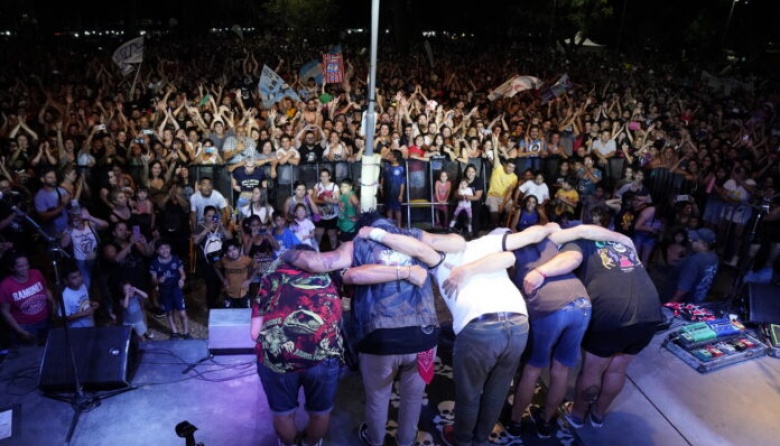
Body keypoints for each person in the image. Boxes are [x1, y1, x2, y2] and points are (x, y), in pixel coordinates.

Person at [357, 223, 556, 445]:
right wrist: (549, 227)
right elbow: (512, 255)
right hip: (518, 323)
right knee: (497, 391)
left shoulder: (439, 259)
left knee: (469, 393)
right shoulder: (485, 243)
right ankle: (481, 440)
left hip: (479, 327)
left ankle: (463, 440)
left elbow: (418, 248)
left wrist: (376, 233)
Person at [281, 214, 464, 446]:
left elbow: (315, 263)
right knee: (414, 396)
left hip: (380, 337)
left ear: (361, 228)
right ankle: (407, 441)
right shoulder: (416, 236)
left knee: (378, 398)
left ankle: (375, 440)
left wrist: (285, 253)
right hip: (425, 338)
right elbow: (459, 243)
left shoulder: (356, 244)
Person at [506, 224, 635, 438]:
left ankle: (515, 423)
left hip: (550, 304)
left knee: (532, 368)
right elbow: (576, 230)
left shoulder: (509, 249)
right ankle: (546, 422)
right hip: (581, 303)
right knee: (561, 368)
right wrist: (623, 238)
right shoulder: (549, 240)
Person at [561, 210, 662, 430]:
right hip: (650, 312)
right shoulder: (624, 242)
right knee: (618, 368)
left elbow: (568, 262)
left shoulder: (578, 244)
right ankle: (598, 415)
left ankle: (577, 415)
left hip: (612, 314)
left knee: (593, 369)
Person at [251, 244, 344, 446]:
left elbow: (254, 333)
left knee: (283, 414)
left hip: (278, 358)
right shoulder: (331, 275)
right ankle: (311, 443)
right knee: (320, 413)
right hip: (323, 354)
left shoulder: (271, 275)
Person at [0, 252, 57, 345]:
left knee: (49, 346)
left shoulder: (36, 273)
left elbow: (46, 289)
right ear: (12, 268)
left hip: (45, 320)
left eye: (27, 264)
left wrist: (53, 303)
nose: (25, 268)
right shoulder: (5, 286)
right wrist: (21, 332)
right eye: (20, 266)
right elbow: (5, 313)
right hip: (26, 326)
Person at [149, 239, 190, 339]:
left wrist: (182, 280)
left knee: (182, 313)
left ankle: (186, 333)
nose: (165, 250)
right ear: (157, 251)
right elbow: (153, 281)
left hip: (176, 289)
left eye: (167, 247)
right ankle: (174, 332)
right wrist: (158, 281)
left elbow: (183, 273)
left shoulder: (176, 259)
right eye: (161, 249)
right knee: (169, 312)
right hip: (164, 291)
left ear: (170, 248)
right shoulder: (154, 263)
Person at [668, 228, 718, 303]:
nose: (691, 241)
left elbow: (683, 288)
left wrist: (672, 302)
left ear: (704, 244)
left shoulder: (694, 261)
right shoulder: (714, 257)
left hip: (684, 300)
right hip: (699, 299)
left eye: (695, 240)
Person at [214, 239, 255, 308]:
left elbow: (256, 268)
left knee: (244, 311)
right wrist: (223, 279)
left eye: (234, 249)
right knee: (229, 312)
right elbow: (216, 267)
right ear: (226, 253)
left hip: (243, 292)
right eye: (229, 251)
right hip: (229, 292)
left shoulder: (246, 260)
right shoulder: (224, 260)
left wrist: (250, 280)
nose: (233, 253)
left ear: (238, 248)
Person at [34, 167, 71, 237]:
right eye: (50, 177)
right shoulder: (39, 196)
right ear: (42, 179)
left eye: (54, 177)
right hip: (54, 233)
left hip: (67, 228)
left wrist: (69, 199)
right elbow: (43, 217)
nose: (54, 180)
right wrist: (62, 205)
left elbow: (69, 206)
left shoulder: (61, 190)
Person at [485, 156, 517, 229]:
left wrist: (503, 204)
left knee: (511, 210)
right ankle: (496, 227)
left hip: (505, 197)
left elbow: (510, 192)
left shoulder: (514, 177)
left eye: (513, 168)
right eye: (509, 167)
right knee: (494, 211)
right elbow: (495, 156)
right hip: (492, 195)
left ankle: (504, 224)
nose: (511, 169)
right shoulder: (498, 168)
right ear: (505, 165)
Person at [381, 149, 406, 229]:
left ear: (395, 158)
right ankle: (390, 226)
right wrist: (381, 187)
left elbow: (402, 183)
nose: (389, 156)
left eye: (391, 155)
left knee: (397, 210)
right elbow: (383, 178)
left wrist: (401, 194)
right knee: (389, 209)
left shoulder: (401, 168)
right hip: (387, 192)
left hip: (396, 193)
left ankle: (399, 226)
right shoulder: (386, 167)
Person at [337, 177, 360, 243]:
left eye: (345, 186)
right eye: (342, 186)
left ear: (350, 187)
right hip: (342, 224)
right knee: (342, 242)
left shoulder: (351, 195)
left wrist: (357, 218)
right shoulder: (343, 195)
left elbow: (359, 206)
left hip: (349, 226)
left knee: (347, 244)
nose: (342, 188)